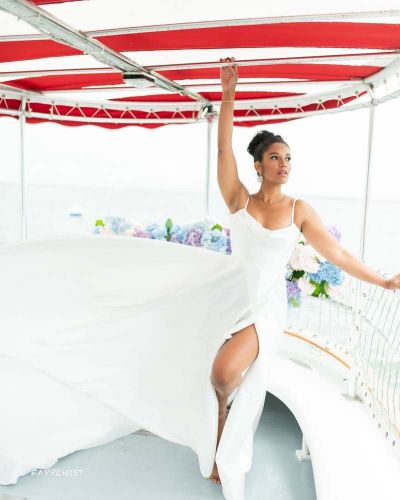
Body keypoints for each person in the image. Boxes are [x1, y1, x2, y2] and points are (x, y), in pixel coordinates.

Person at [207, 56, 400, 488]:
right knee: (217, 383)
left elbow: (337, 254)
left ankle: (226, 438)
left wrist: (384, 281)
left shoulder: (299, 209)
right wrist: (228, 95)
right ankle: (219, 439)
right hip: (230, 297)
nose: (284, 163)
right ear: (258, 166)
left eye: (288, 158)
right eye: (274, 157)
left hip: (265, 307)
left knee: (223, 374)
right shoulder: (239, 200)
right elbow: (222, 151)